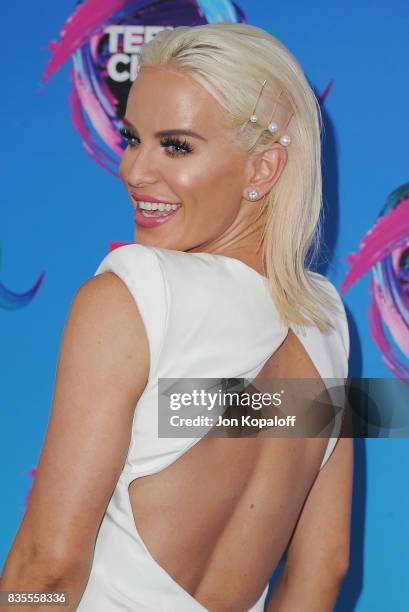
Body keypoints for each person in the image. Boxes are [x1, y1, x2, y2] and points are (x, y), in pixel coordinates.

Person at [0, 23, 352, 611]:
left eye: (177, 145)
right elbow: (323, 568)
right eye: (133, 138)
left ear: (262, 170)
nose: (135, 171)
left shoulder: (135, 292)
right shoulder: (325, 321)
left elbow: (49, 566)